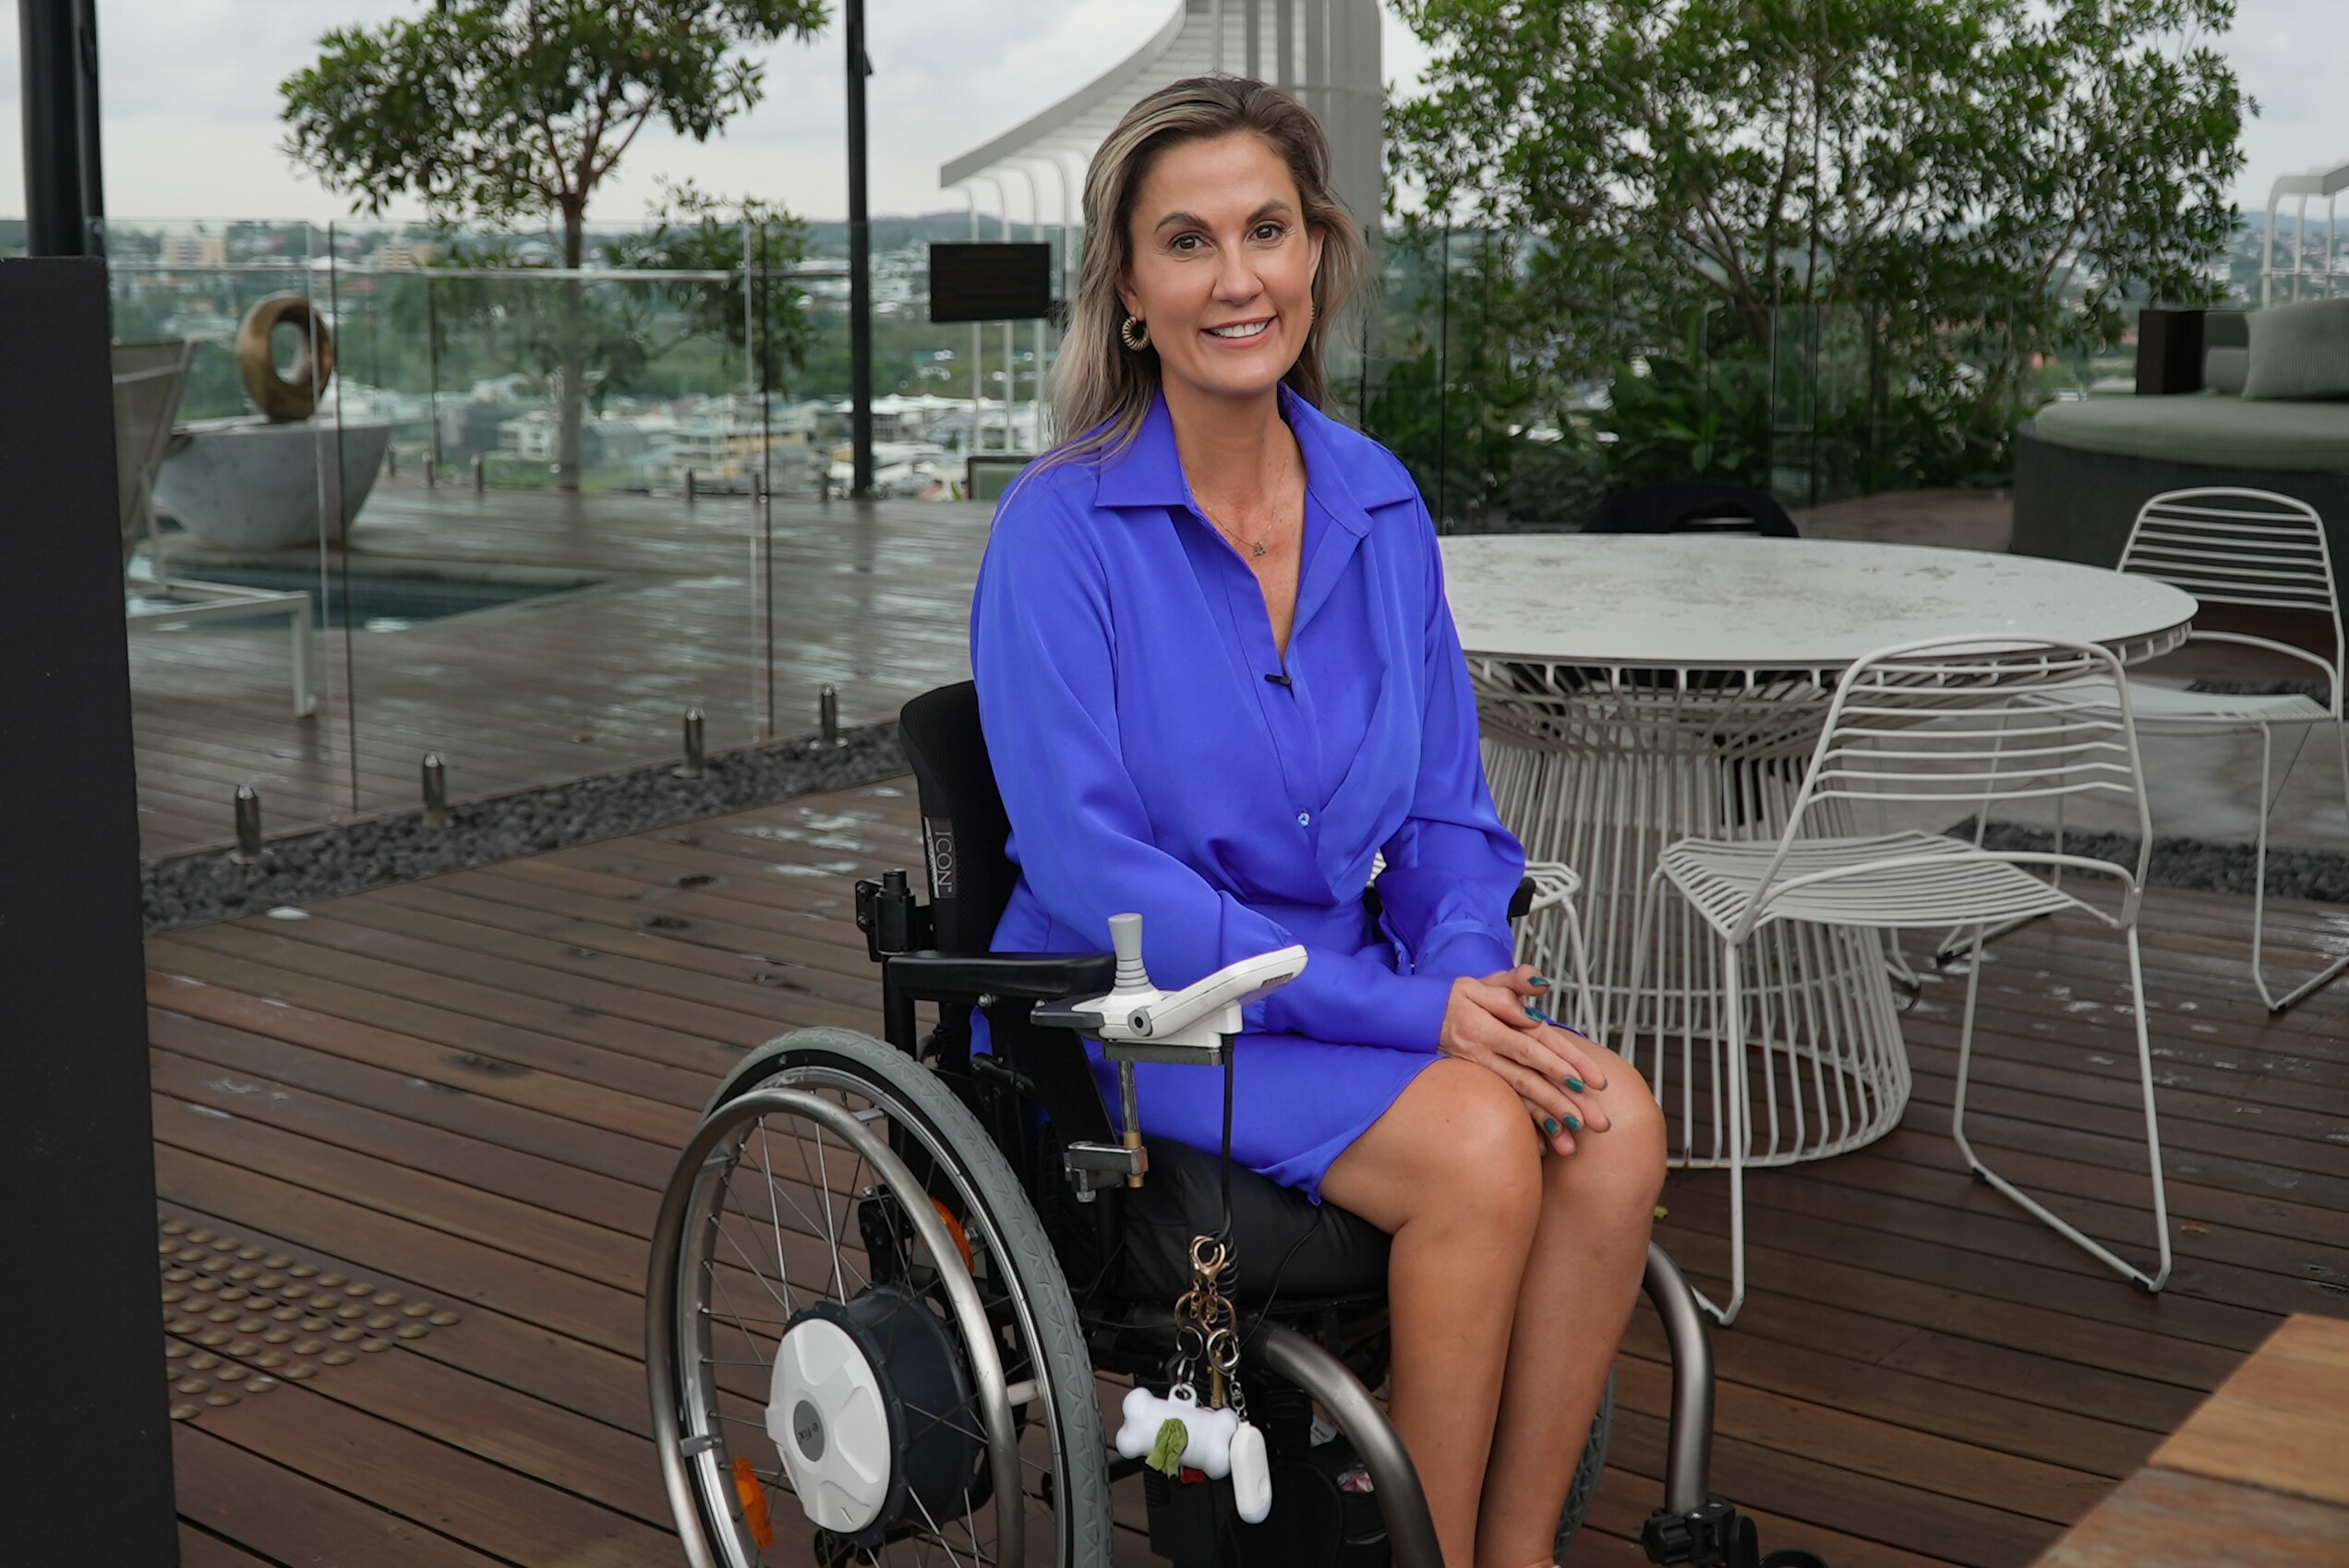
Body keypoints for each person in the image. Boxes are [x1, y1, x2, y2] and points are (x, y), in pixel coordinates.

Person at [970, 76, 1668, 1568]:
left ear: (1318, 255)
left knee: (1610, 1125)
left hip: (1357, 993)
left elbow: (1446, 817)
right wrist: (1411, 1016)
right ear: (1129, 290)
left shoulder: (1377, 503)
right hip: (1145, 1015)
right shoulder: (1057, 532)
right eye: (1188, 241)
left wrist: (1466, 980)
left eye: (1268, 230)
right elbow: (1096, 870)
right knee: (1480, 1142)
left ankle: (1514, 1552)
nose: (1238, 277)